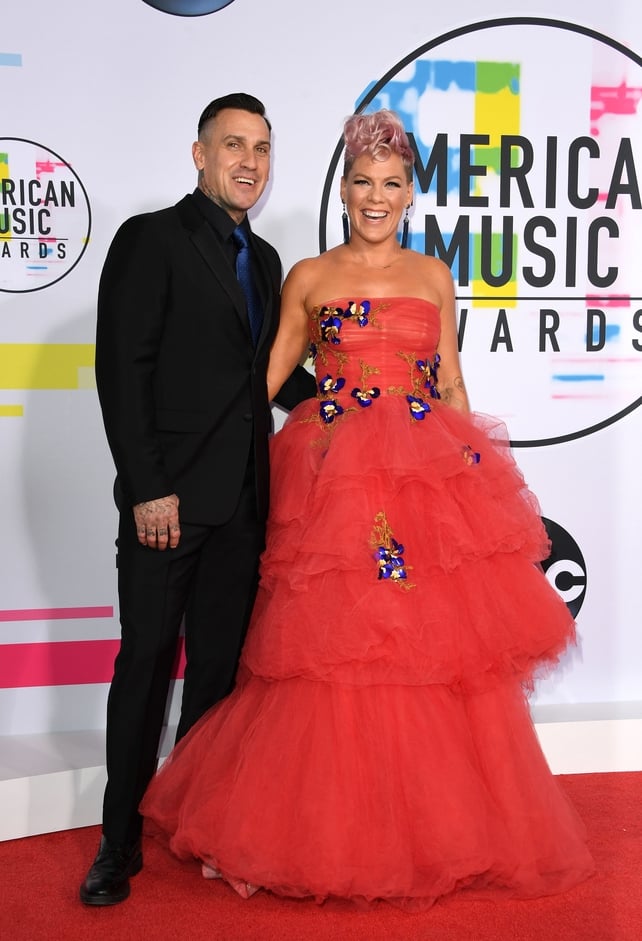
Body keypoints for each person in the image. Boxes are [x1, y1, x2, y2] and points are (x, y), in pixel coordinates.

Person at [140, 109, 595, 909]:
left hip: (421, 484)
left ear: (411, 195)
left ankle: (433, 826)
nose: (375, 198)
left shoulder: (433, 277)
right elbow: (264, 376)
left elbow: (450, 383)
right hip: (337, 482)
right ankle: (319, 826)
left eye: (391, 185)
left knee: (425, 649)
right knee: (334, 651)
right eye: (362, 183)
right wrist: (182, 438)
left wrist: (478, 479)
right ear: (343, 189)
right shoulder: (310, 277)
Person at [80, 92, 316, 907]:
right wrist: (147, 488)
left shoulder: (273, 261)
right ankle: (118, 840)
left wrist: (356, 401)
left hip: (245, 507)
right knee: (145, 666)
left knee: (216, 676)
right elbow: (122, 370)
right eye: (232, 146)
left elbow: (270, 375)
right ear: (199, 154)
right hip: (168, 506)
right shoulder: (152, 238)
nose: (249, 162)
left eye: (261, 148)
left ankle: (196, 820)